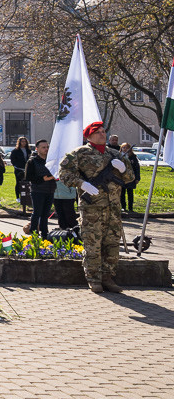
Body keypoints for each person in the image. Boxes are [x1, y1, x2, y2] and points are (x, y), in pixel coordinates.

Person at [59, 121, 135, 293]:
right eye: (98, 132)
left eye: (103, 131)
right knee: (92, 245)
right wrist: (82, 183)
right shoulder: (79, 153)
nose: (102, 134)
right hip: (91, 208)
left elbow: (130, 178)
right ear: (89, 136)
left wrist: (123, 169)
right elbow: (64, 173)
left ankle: (108, 278)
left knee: (112, 245)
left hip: (113, 208)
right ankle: (93, 279)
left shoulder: (114, 154)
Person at [25, 140, 56, 239]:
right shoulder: (32, 161)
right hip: (38, 190)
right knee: (37, 212)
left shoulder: (51, 160)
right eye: (43, 147)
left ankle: (44, 233)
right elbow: (28, 177)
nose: (46, 149)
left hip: (50, 189)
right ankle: (34, 232)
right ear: (37, 149)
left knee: (45, 214)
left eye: (47, 147)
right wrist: (43, 179)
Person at [10, 136, 31, 215]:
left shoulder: (28, 150)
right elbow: (12, 160)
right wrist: (16, 166)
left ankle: (27, 197)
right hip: (19, 169)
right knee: (18, 182)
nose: (23, 143)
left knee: (27, 182)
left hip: (27, 168)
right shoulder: (15, 151)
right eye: (22, 141)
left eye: (25, 141)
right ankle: (18, 197)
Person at [120, 142, 141, 213]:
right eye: (123, 147)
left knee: (130, 193)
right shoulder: (119, 156)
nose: (125, 149)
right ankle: (123, 207)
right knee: (122, 193)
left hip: (131, 178)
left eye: (127, 148)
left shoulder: (133, 157)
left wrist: (137, 178)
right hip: (122, 177)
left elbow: (137, 168)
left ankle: (130, 208)